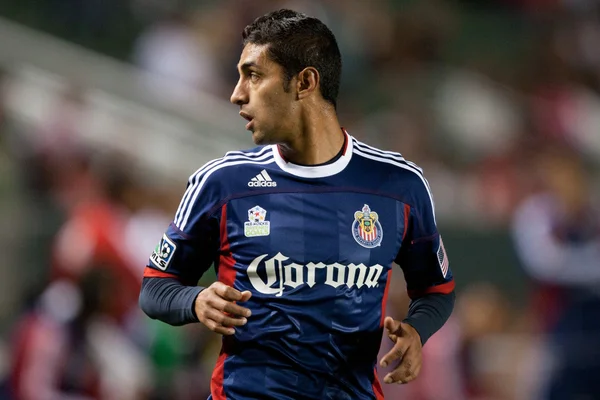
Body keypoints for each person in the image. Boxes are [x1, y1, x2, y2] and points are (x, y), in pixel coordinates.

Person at [139, 9, 455, 400]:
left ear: (305, 81)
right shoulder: (223, 182)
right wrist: (197, 300)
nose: (237, 93)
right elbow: (155, 287)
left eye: (253, 75)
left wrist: (416, 331)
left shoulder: (399, 185)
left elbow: (436, 290)